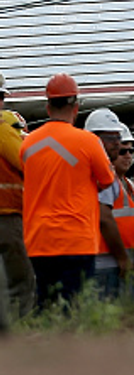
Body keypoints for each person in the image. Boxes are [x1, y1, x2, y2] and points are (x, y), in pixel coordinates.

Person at [22, 73, 114, 309]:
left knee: (47, 307)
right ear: (76, 107)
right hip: (76, 239)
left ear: (47, 107)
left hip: (39, 240)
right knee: (74, 309)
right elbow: (107, 179)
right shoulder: (88, 141)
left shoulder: (28, 144)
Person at [84, 108, 134, 298]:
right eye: (110, 138)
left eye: (118, 137)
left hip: (108, 259)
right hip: (105, 261)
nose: (117, 143)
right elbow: (104, 218)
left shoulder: (107, 171)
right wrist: (122, 257)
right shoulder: (98, 171)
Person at [96, 124, 134, 295]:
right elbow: (104, 219)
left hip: (131, 260)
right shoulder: (101, 184)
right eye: (122, 152)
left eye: (130, 151)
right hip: (109, 260)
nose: (128, 156)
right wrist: (122, 258)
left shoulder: (130, 185)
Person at [0, 109, 35, 319]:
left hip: (13, 216)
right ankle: (20, 327)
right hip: (7, 217)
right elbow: (28, 162)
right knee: (20, 281)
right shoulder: (4, 129)